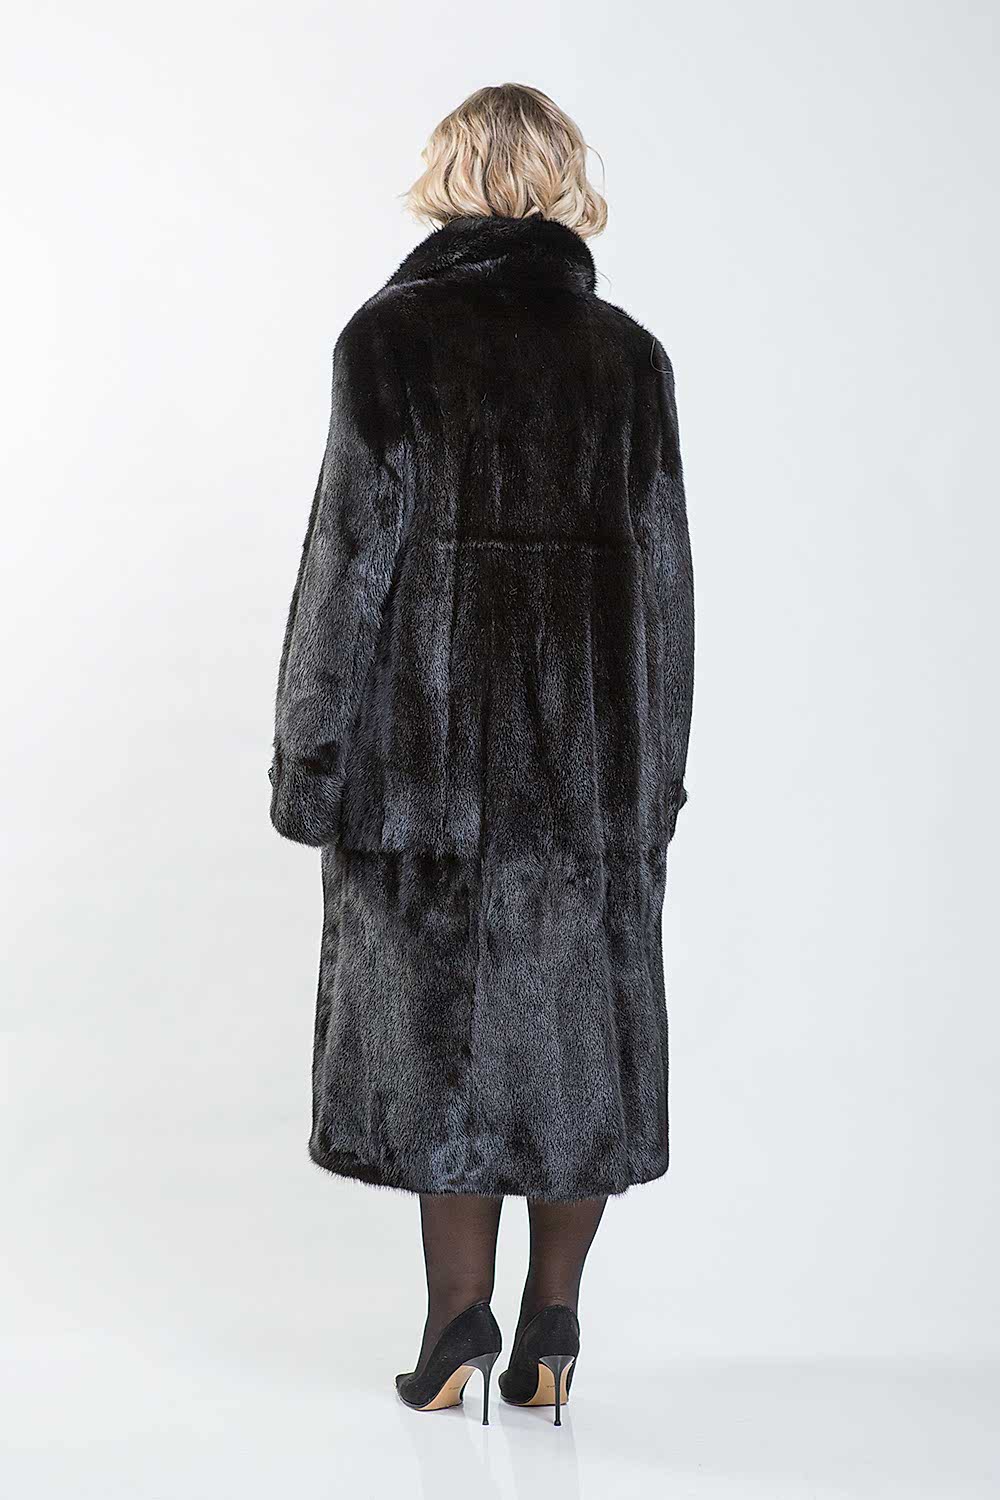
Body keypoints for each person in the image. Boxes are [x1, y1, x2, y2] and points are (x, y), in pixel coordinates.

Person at [268, 82, 694, 1427]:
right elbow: (667, 589)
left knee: (443, 1045)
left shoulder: (392, 343)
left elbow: (345, 568)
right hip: (590, 781)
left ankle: (457, 1326)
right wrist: (655, 779)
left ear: (447, 178)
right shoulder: (628, 360)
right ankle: (553, 1328)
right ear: (565, 182)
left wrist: (311, 765)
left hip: (426, 781)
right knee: (578, 1051)